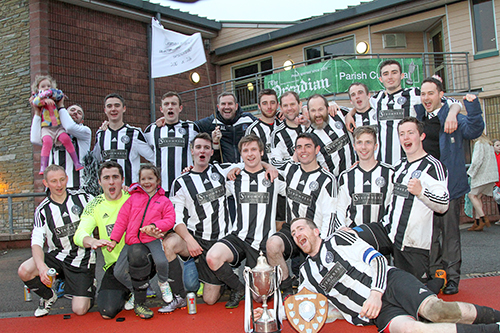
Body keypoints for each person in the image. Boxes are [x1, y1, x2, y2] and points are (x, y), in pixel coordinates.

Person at [268, 217, 500, 333]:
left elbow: (377, 259)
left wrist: (375, 294)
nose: (297, 234)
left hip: (390, 284)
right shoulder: (307, 273)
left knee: (437, 311)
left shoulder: (340, 239)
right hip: (375, 314)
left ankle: (496, 320)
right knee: (415, 330)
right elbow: (299, 306)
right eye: (294, 232)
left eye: (301, 228)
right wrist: (267, 314)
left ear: (315, 231)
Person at [415, 78, 484, 295]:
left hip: (450, 186)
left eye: (431, 93)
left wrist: (471, 106)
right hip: (425, 188)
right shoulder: (418, 117)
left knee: (450, 235)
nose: (426, 98)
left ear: (440, 94)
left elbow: (474, 129)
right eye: (423, 94)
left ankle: (452, 278)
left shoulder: (451, 117)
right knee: (430, 235)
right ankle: (436, 275)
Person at [206, 134, 286, 309]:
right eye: (246, 151)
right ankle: (238, 288)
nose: (250, 154)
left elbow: (296, 176)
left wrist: (268, 165)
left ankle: (257, 287)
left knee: (260, 298)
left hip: (263, 243)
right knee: (212, 258)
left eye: (254, 150)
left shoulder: (274, 178)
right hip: (239, 237)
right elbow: (209, 171)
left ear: (261, 152)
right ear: (241, 155)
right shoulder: (234, 179)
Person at [162, 133, 233, 312]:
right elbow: (175, 217)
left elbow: (250, 163)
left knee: (209, 300)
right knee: (169, 243)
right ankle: (179, 295)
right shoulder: (181, 182)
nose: (202, 151)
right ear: (192, 151)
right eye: (199, 147)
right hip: (196, 241)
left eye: (207, 148)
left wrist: (265, 164)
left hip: (221, 242)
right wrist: (188, 239)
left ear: (211, 152)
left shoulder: (222, 170)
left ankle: (217, 277)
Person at [347, 60, 461, 166]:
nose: (390, 77)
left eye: (394, 72)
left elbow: (452, 101)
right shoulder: (378, 99)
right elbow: (360, 105)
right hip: (384, 164)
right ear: (381, 79)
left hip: (409, 162)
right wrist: (349, 114)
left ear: (402, 76)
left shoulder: (414, 94)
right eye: (386, 74)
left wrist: (452, 114)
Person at [382, 117, 449, 293]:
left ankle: (435, 283)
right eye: (402, 134)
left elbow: (443, 204)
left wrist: (421, 192)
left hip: (415, 245)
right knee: (396, 292)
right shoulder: (399, 166)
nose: (406, 138)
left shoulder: (433, 166)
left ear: (421, 136)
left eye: (410, 133)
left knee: (415, 298)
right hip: (392, 239)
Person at [266, 132, 337, 297]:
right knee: (272, 245)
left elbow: (330, 216)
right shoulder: (291, 169)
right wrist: (267, 166)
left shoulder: (327, 179)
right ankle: (286, 287)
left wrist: (323, 244)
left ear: (317, 149)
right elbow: (270, 162)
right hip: (292, 230)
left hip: (314, 234)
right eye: (299, 147)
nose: (303, 151)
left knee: (312, 289)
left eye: (308, 146)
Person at [18, 165, 93, 317]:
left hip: (82, 259)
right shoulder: (42, 210)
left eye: (62, 180)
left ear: (67, 179)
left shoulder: (83, 198)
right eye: (53, 181)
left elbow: (105, 203)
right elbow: (37, 243)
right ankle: (48, 296)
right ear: (46, 183)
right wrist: (41, 267)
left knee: (79, 310)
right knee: (24, 270)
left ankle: (90, 284)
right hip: (57, 257)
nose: (59, 185)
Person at [108, 164, 175, 319]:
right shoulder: (133, 198)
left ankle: (163, 283)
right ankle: (137, 291)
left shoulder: (163, 200)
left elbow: (170, 219)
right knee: (118, 272)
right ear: (138, 181)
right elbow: (122, 220)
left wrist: (154, 226)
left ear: (158, 180)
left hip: (151, 238)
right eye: (143, 178)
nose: (146, 182)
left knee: (162, 262)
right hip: (132, 240)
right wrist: (114, 239)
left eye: (150, 178)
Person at [74, 161, 136, 319]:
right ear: (100, 182)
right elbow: (79, 234)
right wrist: (91, 241)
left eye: (115, 177)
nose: (111, 182)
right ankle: (128, 290)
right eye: (106, 178)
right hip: (115, 266)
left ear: (122, 180)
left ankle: (142, 286)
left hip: (138, 259)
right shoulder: (95, 204)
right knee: (107, 311)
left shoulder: (134, 198)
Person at [335, 126, 394, 229]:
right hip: (354, 236)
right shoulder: (346, 176)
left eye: (368, 142)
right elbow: (340, 208)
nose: (363, 147)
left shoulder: (390, 173)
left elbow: (393, 207)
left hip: (381, 236)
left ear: (375, 146)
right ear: (354, 146)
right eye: (359, 143)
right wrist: (343, 229)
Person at [93, 93, 155, 186]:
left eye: (117, 106)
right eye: (109, 106)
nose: (113, 109)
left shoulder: (134, 133)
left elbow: (154, 158)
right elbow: (95, 161)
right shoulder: (100, 134)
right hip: (109, 192)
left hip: (131, 192)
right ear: (105, 110)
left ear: (124, 109)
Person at [144, 92, 198, 196]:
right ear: (161, 109)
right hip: (161, 188)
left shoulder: (191, 127)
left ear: (180, 108)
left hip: (186, 185)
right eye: (166, 104)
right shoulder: (152, 129)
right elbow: (143, 149)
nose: (170, 107)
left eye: (173, 104)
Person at [31, 99, 91, 189]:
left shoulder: (85, 131)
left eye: (79, 113)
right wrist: (37, 112)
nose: (75, 113)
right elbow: (34, 139)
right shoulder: (52, 133)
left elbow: (70, 127)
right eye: (72, 110)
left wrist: (61, 106)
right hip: (55, 188)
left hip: (77, 186)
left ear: (82, 121)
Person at [30, 75, 84, 175]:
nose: (46, 88)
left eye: (49, 86)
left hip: (58, 126)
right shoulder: (38, 98)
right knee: (47, 142)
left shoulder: (84, 130)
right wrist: (42, 101)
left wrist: (60, 103)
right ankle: (43, 166)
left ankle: (76, 162)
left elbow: (69, 127)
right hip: (47, 127)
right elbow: (35, 102)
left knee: (66, 139)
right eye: (43, 86)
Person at [195, 91, 256, 163]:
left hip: (245, 167)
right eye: (223, 104)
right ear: (218, 107)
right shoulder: (211, 122)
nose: (227, 107)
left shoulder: (248, 119)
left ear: (236, 106)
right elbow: (190, 127)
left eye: (230, 104)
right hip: (223, 170)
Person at [305, 94, 355, 177]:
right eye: (313, 111)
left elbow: (361, 108)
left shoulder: (338, 114)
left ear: (327, 108)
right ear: (308, 113)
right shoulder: (308, 138)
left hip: (356, 176)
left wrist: (350, 114)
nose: (317, 114)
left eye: (320, 109)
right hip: (335, 185)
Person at [467, 133, 499, 231]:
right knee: (478, 196)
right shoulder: (489, 144)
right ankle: (477, 223)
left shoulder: (479, 143)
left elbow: (477, 161)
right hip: (491, 175)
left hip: (482, 175)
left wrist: (470, 173)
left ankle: (483, 218)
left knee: (471, 195)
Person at [269, 91, 307, 167]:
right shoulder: (277, 135)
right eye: (285, 105)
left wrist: (332, 105)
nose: (289, 108)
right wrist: (293, 160)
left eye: (292, 104)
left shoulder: (309, 122)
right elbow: (275, 163)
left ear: (300, 104)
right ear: (281, 108)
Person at [245, 89, 281, 162]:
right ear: (259, 106)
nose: (269, 107)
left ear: (277, 105)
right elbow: (248, 159)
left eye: (272, 103)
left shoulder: (283, 125)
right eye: (265, 103)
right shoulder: (253, 130)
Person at [493, 139, 500, 219]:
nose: (499, 147)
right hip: (496, 181)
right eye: (497, 145)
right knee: (498, 200)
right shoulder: (492, 156)